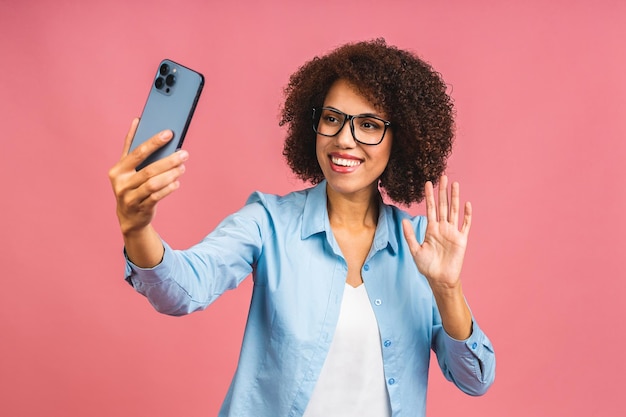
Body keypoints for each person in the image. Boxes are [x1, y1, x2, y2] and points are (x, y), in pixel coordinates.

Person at [109, 38, 495, 417]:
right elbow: (181, 291)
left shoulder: (421, 248)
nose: (344, 139)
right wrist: (137, 228)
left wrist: (447, 290)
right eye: (332, 118)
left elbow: (474, 379)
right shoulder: (268, 222)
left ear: (401, 138)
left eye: (369, 124)